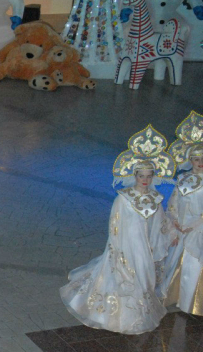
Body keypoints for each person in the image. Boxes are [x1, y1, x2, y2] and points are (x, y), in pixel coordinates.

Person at [61, 139, 177, 334]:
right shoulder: (123, 198)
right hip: (125, 245)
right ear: (135, 176)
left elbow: (160, 223)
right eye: (141, 176)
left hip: (144, 246)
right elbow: (115, 226)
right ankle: (120, 316)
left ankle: (139, 314)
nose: (145, 180)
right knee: (125, 276)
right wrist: (118, 250)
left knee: (143, 275)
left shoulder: (155, 199)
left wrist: (169, 234)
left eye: (149, 176)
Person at [162, 145, 203, 314]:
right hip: (181, 227)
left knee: (193, 264)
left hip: (198, 228)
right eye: (196, 159)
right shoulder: (182, 178)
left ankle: (190, 303)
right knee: (176, 261)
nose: (200, 162)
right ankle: (175, 296)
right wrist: (175, 221)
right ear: (190, 160)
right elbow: (173, 202)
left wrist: (194, 224)